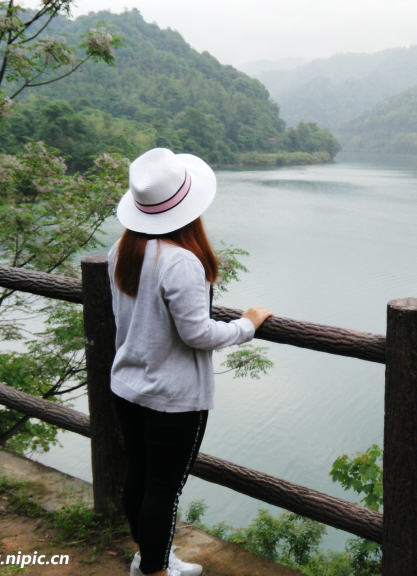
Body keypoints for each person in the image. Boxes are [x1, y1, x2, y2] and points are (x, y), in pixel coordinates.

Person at [108, 148, 273, 576]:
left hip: (128, 387)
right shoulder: (181, 261)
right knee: (164, 489)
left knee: (140, 477)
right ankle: (156, 572)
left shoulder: (122, 249)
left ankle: (149, 558)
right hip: (172, 399)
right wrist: (246, 325)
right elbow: (197, 333)